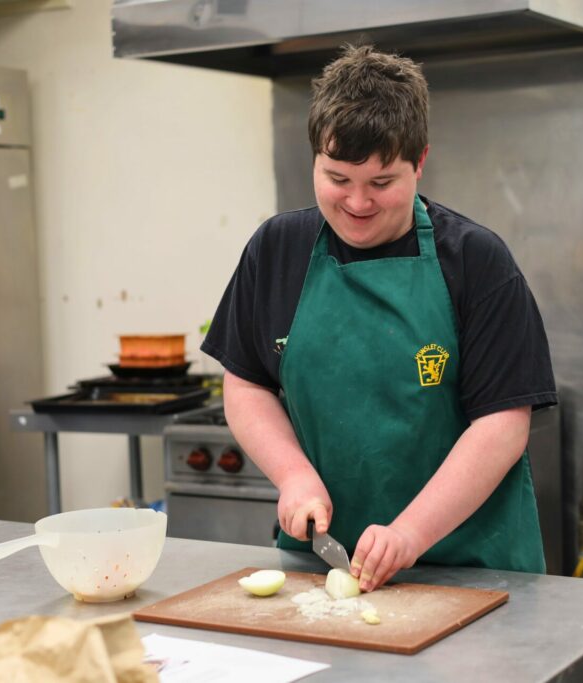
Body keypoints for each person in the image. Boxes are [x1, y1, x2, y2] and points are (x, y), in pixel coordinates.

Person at [202, 45, 557, 592]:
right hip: (322, 568)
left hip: (470, 569)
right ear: (314, 160)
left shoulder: (477, 262)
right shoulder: (277, 250)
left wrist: (411, 533)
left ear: (420, 162)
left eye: (382, 182)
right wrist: (292, 476)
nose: (358, 203)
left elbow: (503, 425)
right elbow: (246, 382)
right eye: (337, 179)